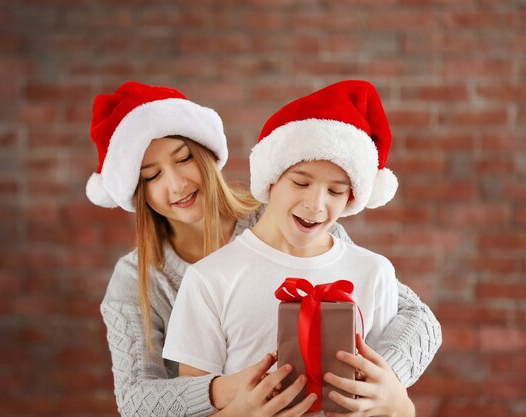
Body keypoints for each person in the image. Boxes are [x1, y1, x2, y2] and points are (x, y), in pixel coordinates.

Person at [88, 81, 441, 416]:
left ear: (209, 156)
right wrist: (231, 393)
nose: (177, 183)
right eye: (152, 175)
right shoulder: (137, 278)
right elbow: (135, 398)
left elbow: (416, 317)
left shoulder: (286, 218)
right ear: (136, 189)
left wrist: (374, 384)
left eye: (184, 159)